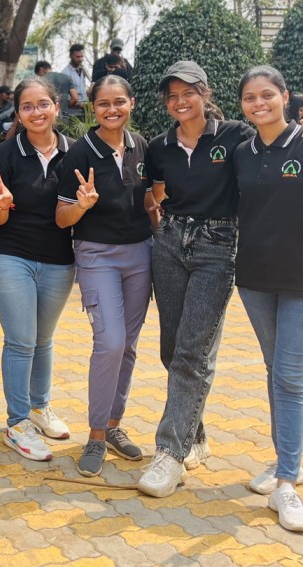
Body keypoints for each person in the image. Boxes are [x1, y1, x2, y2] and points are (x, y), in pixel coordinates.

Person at [137, 61, 255, 498]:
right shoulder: (160, 145)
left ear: (205, 93)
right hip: (169, 242)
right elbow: (155, 191)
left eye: (188, 92)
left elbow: (263, 175)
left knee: (192, 351)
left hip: (217, 246)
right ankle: (195, 434)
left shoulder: (235, 136)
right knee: (173, 348)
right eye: (172, 95)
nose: (180, 101)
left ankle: (169, 453)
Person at [56, 75, 152, 477]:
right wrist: (82, 205)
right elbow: (62, 219)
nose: (112, 110)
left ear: (131, 103)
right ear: (91, 108)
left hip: (140, 255)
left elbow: (148, 201)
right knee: (109, 342)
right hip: (98, 256)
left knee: (128, 345)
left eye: (119, 102)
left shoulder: (141, 146)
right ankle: (95, 436)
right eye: (103, 104)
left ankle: (114, 425)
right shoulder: (80, 153)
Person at [0, 77, 76, 462]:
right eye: (27, 106)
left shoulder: (74, 152)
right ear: (18, 113)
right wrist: (0, 204)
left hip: (58, 258)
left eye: (43, 104)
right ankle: (17, 422)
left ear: (56, 107)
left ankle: (40, 407)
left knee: (44, 338)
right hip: (10, 255)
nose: (36, 112)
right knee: (21, 340)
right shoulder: (5, 154)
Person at [233, 65, 303, 531]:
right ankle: (284, 461)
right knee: (274, 370)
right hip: (255, 278)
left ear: (284, 96)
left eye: (267, 95)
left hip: (299, 280)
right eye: (250, 98)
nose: (259, 104)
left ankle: (288, 481)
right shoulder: (242, 152)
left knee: (290, 376)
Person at [61, 44, 88, 118]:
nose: (80, 59)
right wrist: (77, 104)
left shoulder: (82, 70)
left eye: (82, 56)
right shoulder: (65, 73)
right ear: (71, 56)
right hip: (73, 113)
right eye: (77, 57)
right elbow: (65, 97)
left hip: (85, 111)